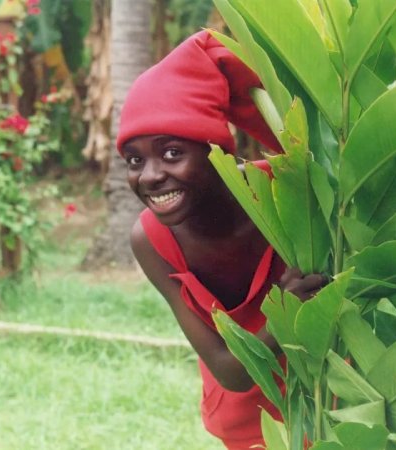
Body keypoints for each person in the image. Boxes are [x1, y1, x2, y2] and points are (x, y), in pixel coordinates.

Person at [116, 30, 326, 449]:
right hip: (244, 421)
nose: (151, 175)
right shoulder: (152, 239)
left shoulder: (291, 190)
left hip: (326, 400)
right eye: (135, 159)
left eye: (172, 152)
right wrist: (287, 313)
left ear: (216, 150)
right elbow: (228, 368)